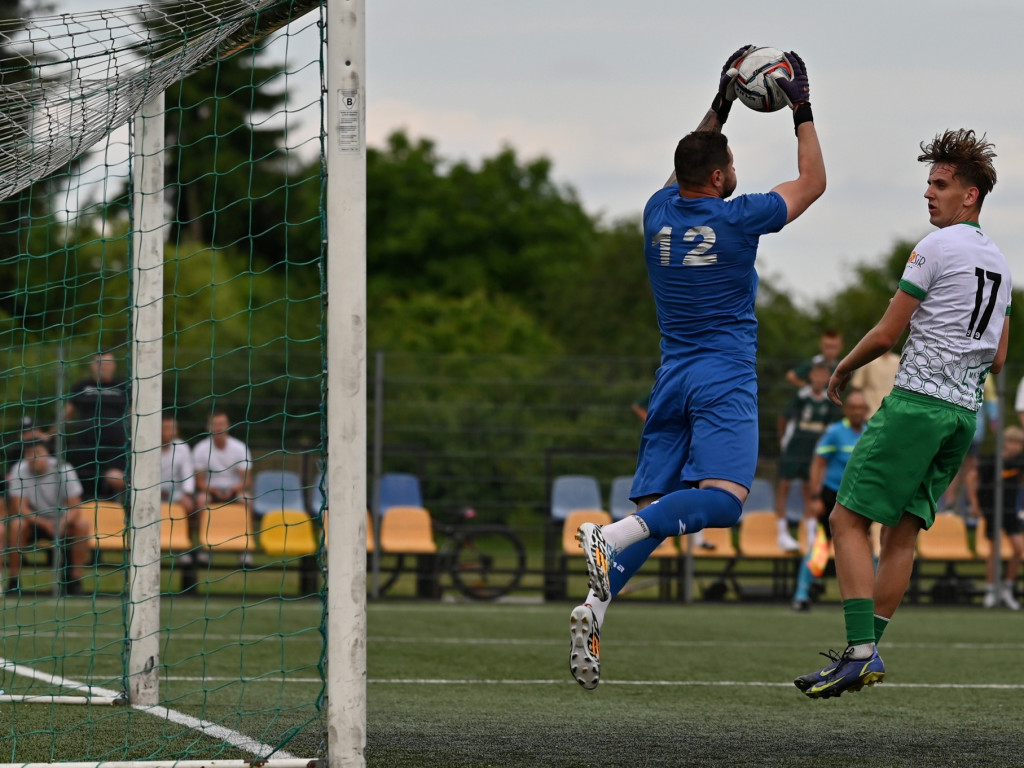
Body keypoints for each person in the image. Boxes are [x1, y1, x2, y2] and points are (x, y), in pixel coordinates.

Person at [569, 45, 825, 690]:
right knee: (724, 502)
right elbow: (813, 182)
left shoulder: (657, 213)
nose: (733, 167)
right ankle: (607, 536)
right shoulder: (740, 219)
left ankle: (594, 609)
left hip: (672, 378)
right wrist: (801, 104)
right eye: (730, 163)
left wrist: (722, 101)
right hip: (722, 376)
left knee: (660, 506)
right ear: (717, 178)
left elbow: (691, 157)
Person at [794, 128, 1011, 699]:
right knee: (904, 533)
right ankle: (867, 650)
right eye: (929, 185)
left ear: (970, 196)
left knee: (845, 520)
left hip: (917, 405)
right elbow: (1002, 353)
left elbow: (890, 332)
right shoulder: (1000, 262)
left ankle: (860, 653)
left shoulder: (935, 247)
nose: (929, 194)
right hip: (964, 414)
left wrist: (841, 367)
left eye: (940, 185)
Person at [791, 389, 869, 611]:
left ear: (866, 411)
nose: (857, 411)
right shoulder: (835, 432)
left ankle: (866, 598)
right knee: (820, 545)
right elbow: (818, 463)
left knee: (864, 547)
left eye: (861, 408)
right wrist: (815, 497)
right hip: (831, 496)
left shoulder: (870, 433)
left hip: (858, 500)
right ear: (846, 409)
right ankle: (801, 594)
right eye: (853, 407)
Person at [5, 440, 88, 595]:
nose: (34, 457)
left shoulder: (64, 469)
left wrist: (62, 522)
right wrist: (44, 524)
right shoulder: (19, 470)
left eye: (38, 453)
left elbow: (75, 507)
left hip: (62, 520)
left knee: (82, 524)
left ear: (47, 454)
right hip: (34, 522)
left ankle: (75, 581)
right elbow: (20, 508)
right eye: (29, 454)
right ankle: (13, 581)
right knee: (17, 525)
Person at [775, 361, 840, 551]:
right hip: (795, 447)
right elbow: (784, 416)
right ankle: (782, 532)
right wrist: (782, 440)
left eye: (823, 375)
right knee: (784, 485)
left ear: (827, 378)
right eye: (816, 374)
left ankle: (810, 533)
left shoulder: (829, 400)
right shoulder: (802, 396)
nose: (819, 379)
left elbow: (829, 427)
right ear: (810, 376)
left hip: (814, 449)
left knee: (810, 488)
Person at [966, 426, 1024, 610]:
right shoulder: (992, 461)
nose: (1016, 446)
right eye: (1012, 442)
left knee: (1018, 549)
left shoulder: (1019, 462)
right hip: (992, 509)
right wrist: (975, 504)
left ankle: (1007, 588)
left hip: (1010, 511)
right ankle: (991, 590)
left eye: (1019, 443)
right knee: (994, 551)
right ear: (1005, 442)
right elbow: (971, 476)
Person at [63, 351, 129, 501]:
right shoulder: (82, 386)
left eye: (107, 363)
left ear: (114, 365)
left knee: (115, 479)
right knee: (85, 490)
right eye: (100, 363)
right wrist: (50, 434)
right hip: (86, 448)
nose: (103, 367)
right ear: (92, 366)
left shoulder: (124, 387)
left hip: (115, 449)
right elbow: (67, 415)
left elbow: (134, 415)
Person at [192, 411, 253, 565]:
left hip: (235, 490)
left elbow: (246, 480)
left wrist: (233, 489)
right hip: (210, 490)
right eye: (215, 424)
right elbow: (199, 481)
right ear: (208, 427)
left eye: (222, 424)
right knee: (200, 500)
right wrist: (213, 491)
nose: (219, 428)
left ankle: (245, 549)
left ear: (228, 426)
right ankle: (205, 546)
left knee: (247, 500)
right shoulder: (200, 449)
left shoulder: (239, 447)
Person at [160, 413, 196, 516]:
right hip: (152, 493)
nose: (172, 432)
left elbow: (188, 474)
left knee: (188, 504)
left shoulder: (182, 447)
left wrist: (186, 494)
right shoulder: (149, 448)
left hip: (175, 493)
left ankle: (187, 531)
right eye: (167, 428)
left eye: (173, 428)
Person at [849, 350, 899, 419]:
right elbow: (856, 387)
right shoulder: (868, 360)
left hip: (892, 413)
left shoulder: (898, 361)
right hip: (869, 414)